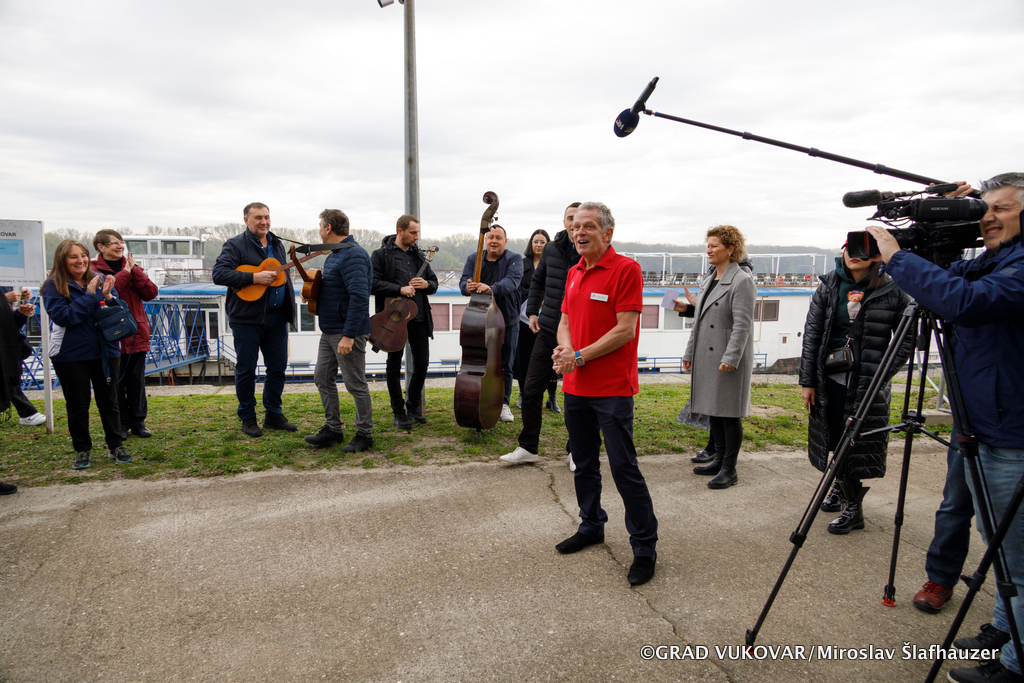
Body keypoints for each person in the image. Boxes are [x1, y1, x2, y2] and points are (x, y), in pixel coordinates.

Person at [866, 173, 1024, 683]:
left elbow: (963, 302)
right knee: (998, 542)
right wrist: (947, 222)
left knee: (1018, 554)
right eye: (984, 208)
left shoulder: (1018, 267)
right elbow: (948, 280)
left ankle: (1015, 666)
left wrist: (896, 256)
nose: (988, 218)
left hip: (1011, 431)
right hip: (979, 420)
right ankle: (1006, 630)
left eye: (1000, 209)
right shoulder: (993, 259)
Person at [551, 201, 658, 586]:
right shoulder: (574, 272)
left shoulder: (626, 269)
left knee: (623, 467)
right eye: (575, 227)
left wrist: (578, 356)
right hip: (576, 387)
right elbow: (565, 320)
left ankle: (644, 547)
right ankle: (591, 525)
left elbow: (625, 330)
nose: (579, 232)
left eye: (588, 226)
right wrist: (566, 350)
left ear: (608, 232)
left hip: (612, 389)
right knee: (583, 463)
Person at [799, 246, 912, 534]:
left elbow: (908, 337)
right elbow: (812, 335)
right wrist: (808, 382)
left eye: (865, 249)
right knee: (836, 438)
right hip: (830, 379)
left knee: (855, 443)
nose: (855, 254)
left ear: (878, 256)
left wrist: (881, 373)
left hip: (867, 384)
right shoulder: (829, 285)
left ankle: (854, 508)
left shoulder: (892, 289)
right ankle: (842, 487)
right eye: (851, 246)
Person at [40, 240, 133, 469]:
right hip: (71, 354)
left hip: (106, 351)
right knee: (78, 405)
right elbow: (64, 317)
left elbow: (120, 315)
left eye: (82, 255)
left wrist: (109, 297)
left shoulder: (100, 279)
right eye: (73, 257)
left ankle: (116, 445)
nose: (80, 261)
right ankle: (82, 449)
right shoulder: (52, 286)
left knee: (109, 402)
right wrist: (90, 297)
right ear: (62, 260)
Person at [501, 203, 579, 468]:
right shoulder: (552, 249)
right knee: (531, 388)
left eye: (578, 218)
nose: (574, 224)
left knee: (576, 394)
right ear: (564, 221)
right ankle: (528, 447)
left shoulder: (590, 251)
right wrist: (532, 311)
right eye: (570, 218)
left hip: (579, 333)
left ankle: (576, 451)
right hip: (547, 329)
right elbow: (538, 281)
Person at [212, 203, 297, 437]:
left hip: (277, 319)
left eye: (267, 217)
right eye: (258, 217)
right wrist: (253, 278)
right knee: (246, 370)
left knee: (277, 368)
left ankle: (273, 414)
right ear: (246, 220)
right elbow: (219, 274)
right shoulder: (234, 245)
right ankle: (248, 417)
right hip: (246, 319)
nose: (264, 222)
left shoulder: (277, 244)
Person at [682, 226, 757, 489]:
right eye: (708, 245)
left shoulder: (742, 280)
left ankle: (729, 469)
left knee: (729, 414)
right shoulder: (710, 279)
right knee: (714, 411)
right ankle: (719, 460)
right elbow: (699, 322)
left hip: (727, 357)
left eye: (714, 246)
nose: (709, 250)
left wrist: (732, 357)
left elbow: (743, 325)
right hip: (707, 354)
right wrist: (689, 352)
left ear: (731, 249)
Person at [305, 209, 374, 453]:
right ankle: (333, 429)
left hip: (346, 332)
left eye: (320, 226)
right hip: (329, 330)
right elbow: (336, 290)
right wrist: (313, 294)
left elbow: (359, 297)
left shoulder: (354, 255)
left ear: (328, 228)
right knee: (322, 378)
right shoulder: (335, 254)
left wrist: (349, 335)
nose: (319, 230)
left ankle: (365, 434)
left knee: (355, 384)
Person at [370, 214, 438, 431]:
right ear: (400, 231)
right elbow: (372, 283)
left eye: (418, 232)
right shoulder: (380, 255)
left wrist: (426, 284)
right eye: (413, 232)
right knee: (393, 365)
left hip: (419, 317)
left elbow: (434, 284)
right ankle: (398, 412)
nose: (417, 237)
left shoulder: (420, 256)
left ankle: (413, 407)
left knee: (422, 363)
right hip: (393, 319)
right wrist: (399, 289)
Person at [91, 230, 159, 439]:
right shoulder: (93, 270)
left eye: (121, 242)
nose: (120, 246)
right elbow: (108, 292)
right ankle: (120, 423)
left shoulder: (132, 268)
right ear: (101, 247)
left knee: (136, 381)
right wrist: (127, 272)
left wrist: (134, 271)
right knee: (115, 382)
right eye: (115, 243)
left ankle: (139, 422)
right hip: (110, 334)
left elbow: (151, 293)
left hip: (135, 331)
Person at [459, 224, 522, 422]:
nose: (494, 241)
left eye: (498, 238)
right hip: (480, 320)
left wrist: (490, 288)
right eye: (490, 237)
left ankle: (504, 404)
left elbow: (512, 282)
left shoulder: (515, 259)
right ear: (485, 240)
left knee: (506, 363)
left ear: (505, 241)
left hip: (507, 319)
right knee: (478, 362)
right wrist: (467, 286)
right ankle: (479, 399)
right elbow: (463, 282)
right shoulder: (474, 258)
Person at [514, 229, 555, 410]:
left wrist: (546, 297)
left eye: (542, 242)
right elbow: (517, 288)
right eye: (535, 241)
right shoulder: (521, 264)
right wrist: (535, 297)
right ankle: (523, 394)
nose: (538, 245)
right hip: (524, 319)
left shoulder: (554, 264)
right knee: (525, 358)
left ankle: (552, 397)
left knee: (551, 357)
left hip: (549, 318)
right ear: (531, 244)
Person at [1, 287, 45, 426]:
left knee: (11, 378)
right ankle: (27, 412)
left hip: (8, 346)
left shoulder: (6, 284)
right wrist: (4, 299)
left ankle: (27, 412)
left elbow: (8, 324)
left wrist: (21, 313)